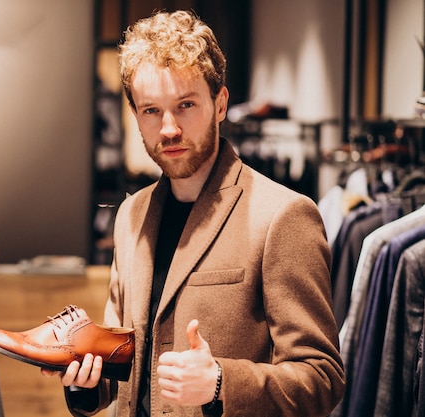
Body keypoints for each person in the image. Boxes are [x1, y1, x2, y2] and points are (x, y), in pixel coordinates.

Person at [42, 9, 346, 416]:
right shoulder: (131, 215)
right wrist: (86, 381)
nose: (168, 128)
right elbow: (125, 367)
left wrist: (221, 381)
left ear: (220, 104)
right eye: (151, 110)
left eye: (185, 105)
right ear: (135, 117)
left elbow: (322, 378)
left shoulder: (283, 216)